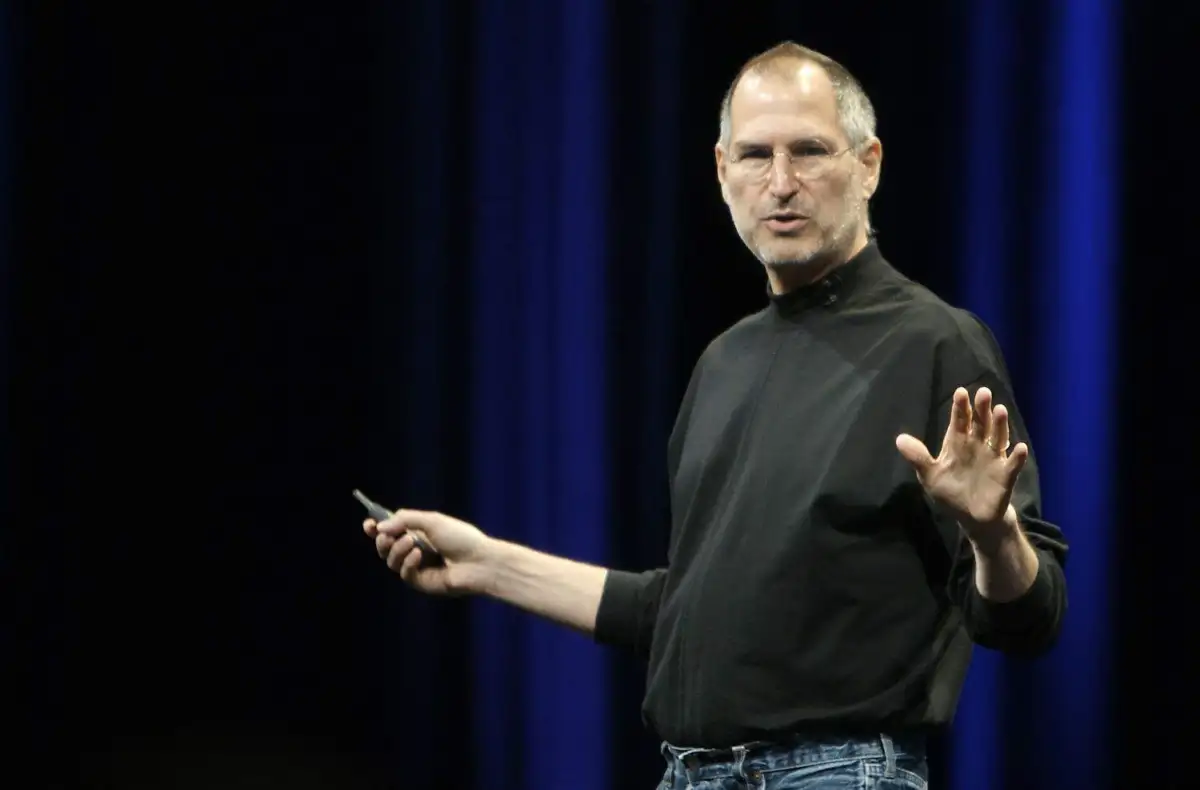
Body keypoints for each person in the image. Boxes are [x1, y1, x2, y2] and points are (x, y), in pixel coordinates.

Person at [364, 41, 1068, 789]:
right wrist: (487, 565)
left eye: (810, 151)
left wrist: (993, 533)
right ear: (722, 172)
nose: (782, 183)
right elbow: (686, 612)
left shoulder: (936, 344)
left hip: (835, 772)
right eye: (756, 156)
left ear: (869, 166)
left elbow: (1030, 619)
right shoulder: (723, 362)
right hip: (691, 773)